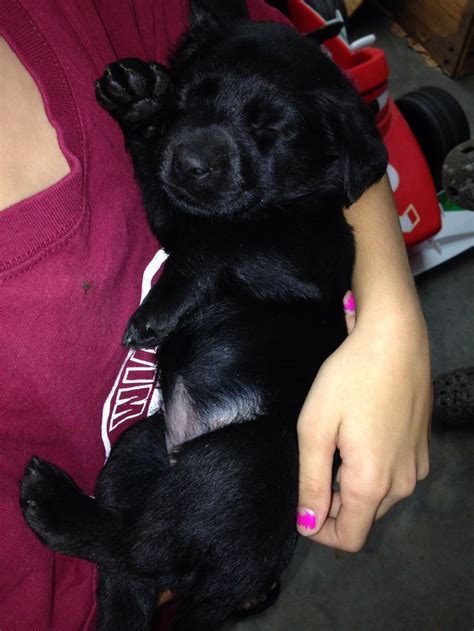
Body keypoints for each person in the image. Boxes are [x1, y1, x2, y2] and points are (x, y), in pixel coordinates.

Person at [0, 0, 431, 628]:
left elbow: (277, 259)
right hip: (173, 461)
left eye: (266, 130)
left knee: (224, 475)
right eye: (195, 100)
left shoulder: (318, 230)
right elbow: (171, 222)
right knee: (127, 474)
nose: (198, 146)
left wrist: (392, 317)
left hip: (257, 448)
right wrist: (148, 130)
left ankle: (120, 548)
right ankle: (125, 581)